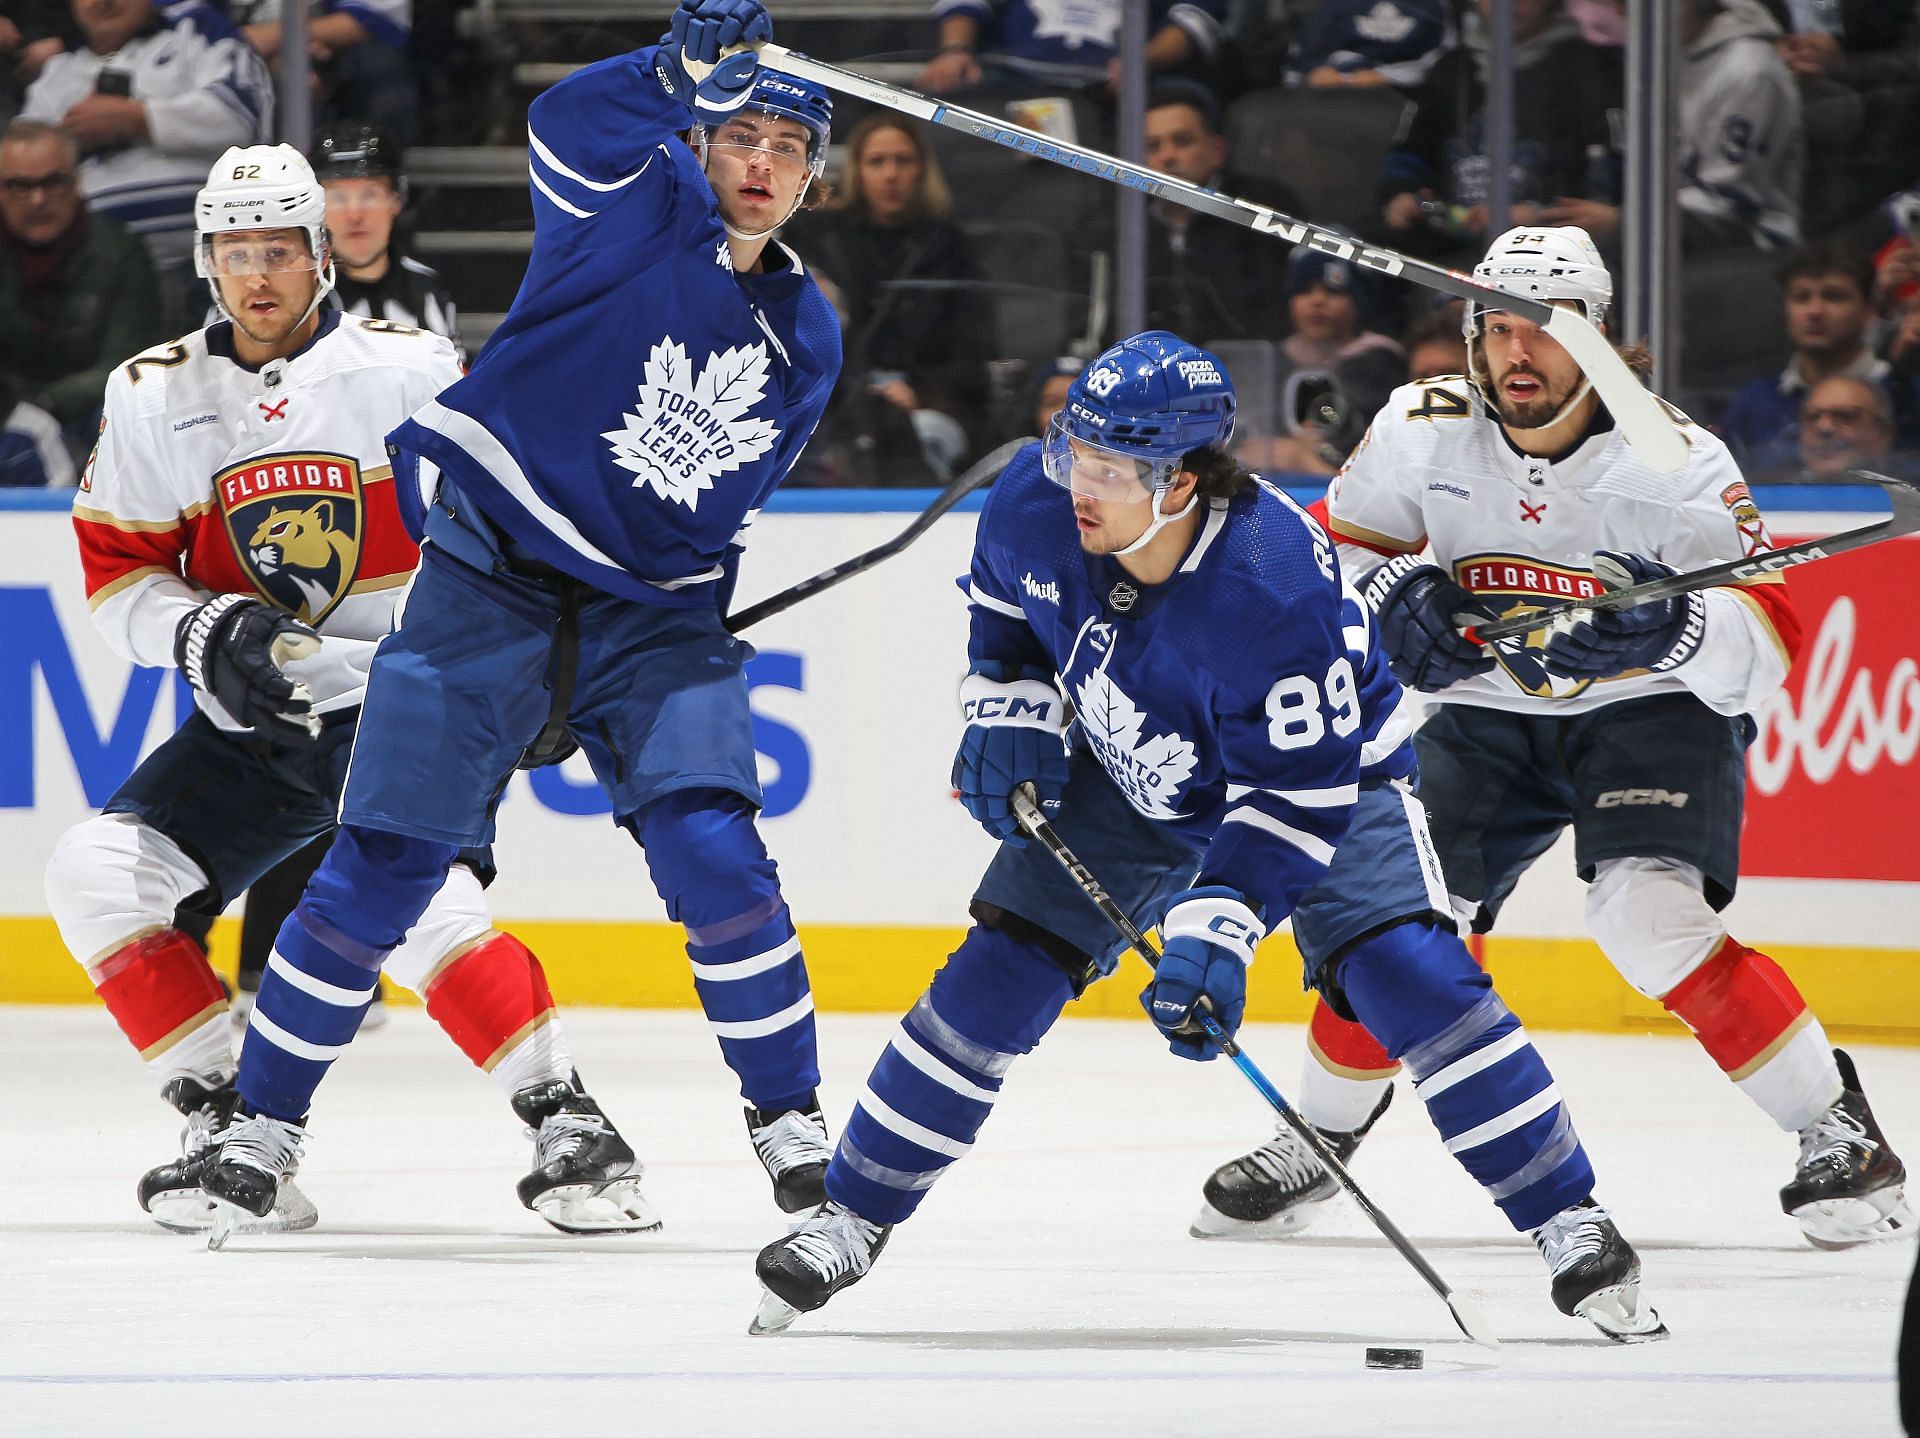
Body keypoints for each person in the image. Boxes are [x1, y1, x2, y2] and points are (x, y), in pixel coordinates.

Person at [750, 331, 1665, 1343]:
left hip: (1323, 783)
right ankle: (851, 1214)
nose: (1076, 484)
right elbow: (1008, 612)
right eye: (1072, 454)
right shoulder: (1032, 499)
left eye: (1107, 469)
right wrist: (1007, 711)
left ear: (1179, 482)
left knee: (1410, 974)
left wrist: (1220, 929)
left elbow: (1296, 795)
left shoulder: (1273, 589)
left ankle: (1568, 1218)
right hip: (1135, 772)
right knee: (997, 971)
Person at [193, 1, 845, 1243]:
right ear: (703, 143)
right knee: (384, 861)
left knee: (717, 855)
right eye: (741, 135)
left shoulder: (806, 332)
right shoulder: (636, 198)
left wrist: (681, 598)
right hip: (487, 578)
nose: (760, 163)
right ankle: (262, 1121)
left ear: (812, 180)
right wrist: (669, 69)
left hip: (653, 619)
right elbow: (563, 119)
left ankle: (790, 1118)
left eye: (789, 149)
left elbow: (734, 487)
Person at [1195, 227, 1910, 1253]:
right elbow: (1330, 552)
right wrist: (1397, 596)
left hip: (1652, 713)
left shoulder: (1677, 460)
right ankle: (1322, 1134)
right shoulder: (1421, 425)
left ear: (1601, 339)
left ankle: (1841, 1136)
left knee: (1647, 917)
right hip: (1490, 714)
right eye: (1496, 330)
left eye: (1546, 332)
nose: (1515, 356)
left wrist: (1678, 626)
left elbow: (1767, 649)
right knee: (1396, 917)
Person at [44, 143, 659, 1241]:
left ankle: (569, 1122)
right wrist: (200, 630)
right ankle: (228, 1118)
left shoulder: (413, 369)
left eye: (280, 248)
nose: (259, 274)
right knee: (97, 872)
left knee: (418, 906)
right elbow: (117, 576)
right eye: (237, 252)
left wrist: (535, 665)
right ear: (206, 261)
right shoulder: (151, 394)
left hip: (401, 708)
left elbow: (514, 532)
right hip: (258, 728)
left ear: (322, 255)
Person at [786, 113, 989, 484]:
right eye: (877, 161)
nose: (891, 174)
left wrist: (921, 393)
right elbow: (801, 334)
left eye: (903, 161)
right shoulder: (817, 238)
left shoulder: (952, 246)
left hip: (927, 407)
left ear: (923, 169)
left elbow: (974, 349)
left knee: (924, 439)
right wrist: (860, 387)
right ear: (856, 170)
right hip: (835, 402)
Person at [21, 0, 272, 279]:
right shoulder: (55, 76)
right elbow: (19, 170)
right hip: (96, 279)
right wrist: (70, 139)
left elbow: (243, 117)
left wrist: (140, 119)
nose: (105, 1)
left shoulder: (195, 32)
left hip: (215, 264)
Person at [0, 117, 166, 454]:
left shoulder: (121, 251)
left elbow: (128, 362)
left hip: (92, 413)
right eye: (20, 186)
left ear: (77, 181)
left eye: (54, 182)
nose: (38, 200)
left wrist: (45, 403)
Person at [1719, 241, 1917, 475]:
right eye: (1801, 298)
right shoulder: (1752, 404)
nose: (1815, 311)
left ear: (1868, 310)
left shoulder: (1908, 397)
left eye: (1834, 297)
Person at [1141, 83, 1290, 344]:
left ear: (1217, 151)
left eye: (1182, 141)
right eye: (1153, 146)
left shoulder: (1261, 211)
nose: (1167, 157)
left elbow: (1275, 318)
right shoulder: (1123, 224)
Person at [917, 0, 1226, 96]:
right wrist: (955, 50)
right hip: (1013, 77)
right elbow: (965, 2)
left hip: (1124, 88)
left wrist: (1141, 61)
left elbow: (1196, 18)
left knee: (1185, 104)